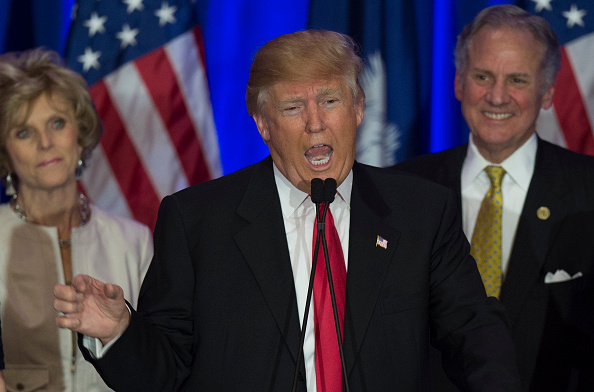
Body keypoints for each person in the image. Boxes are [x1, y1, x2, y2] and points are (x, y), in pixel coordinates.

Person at [54, 30, 521, 391]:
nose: (316, 123)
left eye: (330, 101)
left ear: (358, 107)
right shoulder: (197, 222)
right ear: (262, 123)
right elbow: (162, 373)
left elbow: (474, 334)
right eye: (294, 106)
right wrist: (119, 331)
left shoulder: (420, 211)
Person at [395, 5, 594, 391]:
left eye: (517, 80)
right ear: (458, 83)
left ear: (549, 92)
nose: (497, 96)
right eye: (483, 76)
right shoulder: (400, 191)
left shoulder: (590, 192)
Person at [0, 48, 153, 391]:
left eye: (57, 123)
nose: (45, 143)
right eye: (24, 132)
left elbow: (157, 364)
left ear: (79, 133)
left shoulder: (134, 239)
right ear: (5, 152)